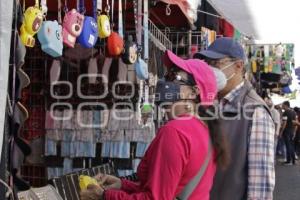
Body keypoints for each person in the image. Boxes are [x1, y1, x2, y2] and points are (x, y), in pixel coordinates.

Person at [80, 50, 230, 200]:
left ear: (193, 92)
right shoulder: (204, 130)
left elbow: (155, 198)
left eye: (173, 77)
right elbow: (169, 189)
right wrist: (122, 184)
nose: (165, 82)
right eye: (167, 75)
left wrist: (104, 196)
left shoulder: (175, 131)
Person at [194, 37, 275, 200]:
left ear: (238, 66)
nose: (210, 69)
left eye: (216, 64)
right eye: (207, 63)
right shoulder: (209, 102)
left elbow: (260, 184)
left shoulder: (255, 111)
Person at [280, 101, 297, 165]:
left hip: (287, 131)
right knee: (291, 146)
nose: (282, 106)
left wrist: (281, 132)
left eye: (283, 105)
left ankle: (289, 161)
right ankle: (293, 161)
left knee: (288, 146)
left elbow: (284, 123)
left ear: (286, 105)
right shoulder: (293, 112)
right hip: (292, 131)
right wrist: (294, 132)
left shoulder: (285, 113)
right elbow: (295, 122)